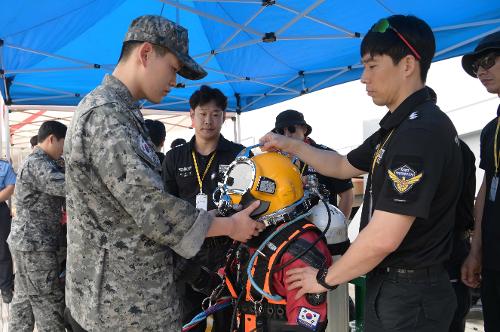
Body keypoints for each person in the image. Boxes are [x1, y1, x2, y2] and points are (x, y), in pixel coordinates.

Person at [261, 15, 463, 331]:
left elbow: (383, 237)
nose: (363, 78)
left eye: (372, 66)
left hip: (410, 297)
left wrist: (324, 279)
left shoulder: (419, 132)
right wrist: (290, 144)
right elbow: (341, 165)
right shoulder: (396, 128)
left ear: (407, 65)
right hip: (397, 289)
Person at [64, 15, 263, 332]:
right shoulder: (106, 114)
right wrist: (230, 225)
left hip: (126, 297)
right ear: (145, 54)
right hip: (121, 310)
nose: (175, 81)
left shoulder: (121, 112)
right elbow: (152, 208)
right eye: (173, 68)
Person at [215, 152, 334, 331]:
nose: (236, 211)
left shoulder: (300, 247)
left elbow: (307, 320)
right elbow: (230, 289)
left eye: (243, 204)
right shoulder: (250, 235)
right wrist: (193, 274)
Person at [162, 85, 245, 331]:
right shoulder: (174, 158)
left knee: (228, 319)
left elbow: (249, 202)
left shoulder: (238, 156)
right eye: (203, 114)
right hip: (187, 255)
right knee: (189, 321)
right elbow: (165, 205)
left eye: (216, 114)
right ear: (192, 115)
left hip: (228, 253)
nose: (209, 121)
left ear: (224, 117)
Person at [8, 120, 67, 331]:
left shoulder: (44, 161)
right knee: (47, 300)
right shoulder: (37, 163)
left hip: (28, 242)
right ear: (52, 139)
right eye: (63, 144)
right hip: (35, 244)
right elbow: (66, 186)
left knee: (24, 299)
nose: (64, 150)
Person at [461, 31, 500, 332]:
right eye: (477, 68)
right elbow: (487, 187)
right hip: (494, 260)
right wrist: (475, 252)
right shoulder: (490, 130)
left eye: (489, 61)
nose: (481, 71)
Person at [272, 109, 354, 218]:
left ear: (304, 129)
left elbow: (347, 195)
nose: (286, 135)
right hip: (291, 230)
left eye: (291, 129)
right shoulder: (276, 162)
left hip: (324, 229)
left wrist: (339, 227)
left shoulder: (325, 154)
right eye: (281, 131)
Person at [0, 158, 16, 304]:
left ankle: (5, 287)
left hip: (0, 210)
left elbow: (11, 187)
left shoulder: (4, 166)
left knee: (3, 251)